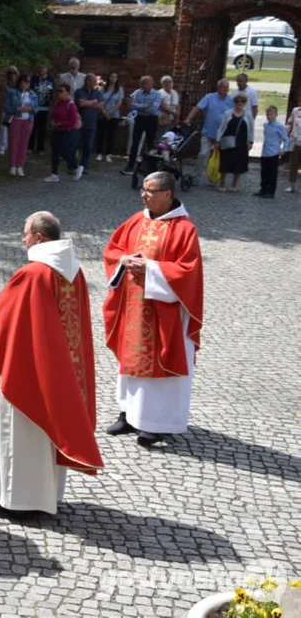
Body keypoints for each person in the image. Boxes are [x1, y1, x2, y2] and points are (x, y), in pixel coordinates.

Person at [0, 211, 102, 517]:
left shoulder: (32, 274)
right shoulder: (74, 272)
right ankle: (48, 497)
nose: (23, 239)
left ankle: (18, 502)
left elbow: (4, 320)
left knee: (20, 432)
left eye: (25, 234)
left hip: (26, 370)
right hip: (62, 372)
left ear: (39, 238)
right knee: (51, 428)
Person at [103, 171, 204, 447]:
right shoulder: (136, 220)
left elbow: (188, 272)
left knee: (160, 364)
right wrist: (124, 260)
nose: (144, 195)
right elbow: (112, 251)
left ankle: (156, 424)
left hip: (164, 311)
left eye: (150, 191)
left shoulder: (184, 229)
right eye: (143, 191)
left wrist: (151, 268)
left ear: (168, 194)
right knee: (130, 360)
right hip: (133, 306)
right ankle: (128, 413)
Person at [184, 79, 235, 184]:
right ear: (218, 87)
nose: (225, 89)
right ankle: (196, 177)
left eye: (227, 87)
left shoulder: (231, 100)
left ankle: (216, 178)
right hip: (208, 132)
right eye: (223, 87)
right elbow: (197, 108)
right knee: (203, 154)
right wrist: (188, 118)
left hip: (222, 135)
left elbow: (235, 115)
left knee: (220, 158)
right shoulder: (209, 97)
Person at [214, 93, 255, 193]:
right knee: (225, 163)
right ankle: (222, 183)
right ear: (234, 102)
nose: (239, 103)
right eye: (237, 101)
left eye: (242, 101)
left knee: (238, 164)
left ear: (245, 103)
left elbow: (251, 129)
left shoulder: (248, 115)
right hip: (227, 141)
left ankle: (234, 185)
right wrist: (218, 140)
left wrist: (250, 142)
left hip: (241, 143)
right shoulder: (227, 113)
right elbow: (221, 127)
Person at [122, 76, 161, 176]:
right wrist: (145, 105)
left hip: (151, 119)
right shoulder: (137, 92)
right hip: (140, 119)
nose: (144, 85)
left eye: (146, 83)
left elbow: (153, 108)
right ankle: (130, 166)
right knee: (135, 142)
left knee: (150, 143)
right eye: (142, 83)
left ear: (152, 84)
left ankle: (150, 167)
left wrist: (139, 105)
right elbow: (131, 104)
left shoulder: (157, 94)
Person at [44, 84, 80, 183]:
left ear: (67, 92)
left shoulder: (70, 104)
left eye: (61, 91)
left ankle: (76, 166)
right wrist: (53, 121)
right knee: (54, 152)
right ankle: (54, 174)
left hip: (67, 131)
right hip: (57, 130)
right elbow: (54, 114)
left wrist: (60, 123)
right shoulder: (57, 103)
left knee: (65, 152)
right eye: (58, 91)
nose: (59, 93)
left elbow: (73, 121)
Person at [74, 73, 104, 180]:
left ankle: (84, 166)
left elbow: (100, 105)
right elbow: (81, 104)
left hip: (92, 123)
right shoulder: (79, 91)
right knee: (75, 144)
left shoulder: (98, 92)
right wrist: (93, 102)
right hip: (79, 123)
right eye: (93, 81)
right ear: (87, 82)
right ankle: (73, 166)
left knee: (88, 146)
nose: (95, 83)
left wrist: (89, 103)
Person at [6, 75, 37, 177]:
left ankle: (20, 165)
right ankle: (13, 165)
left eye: (28, 83)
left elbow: (36, 109)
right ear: (20, 82)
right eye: (24, 82)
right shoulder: (12, 92)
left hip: (28, 120)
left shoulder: (32, 94)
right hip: (16, 119)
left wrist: (30, 109)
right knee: (14, 142)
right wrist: (17, 109)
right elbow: (6, 106)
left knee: (24, 143)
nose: (26, 84)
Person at [257, 106, 289, 198]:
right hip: (265, 152)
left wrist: (284, 149)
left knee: (272, 174)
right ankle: (263, 189)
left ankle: (271, 191)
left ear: (276, 115)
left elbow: (285, 139)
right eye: (267, 114)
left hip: (273, 153)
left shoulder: (279, 126)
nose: (269, 116)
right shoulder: (266, 125)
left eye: (271, 114)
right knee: (264, 173)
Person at [99, 72, 125, 163]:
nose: (113, 78)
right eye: (111, 76)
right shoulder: (103, 89)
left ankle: (108, 153)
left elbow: (119, 103)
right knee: (101, 134)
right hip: (103, 114)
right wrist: (104, 112)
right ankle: (99, 152)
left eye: (115, 77)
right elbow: (100, 101)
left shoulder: (119, 90)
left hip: (114, 115)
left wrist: (110, 112)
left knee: (111, 134)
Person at [30, 66, 55, 154]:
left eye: (43, 68)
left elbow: (52, 93)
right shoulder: (33, 79)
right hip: (34, 107)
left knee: (42, 128)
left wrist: (52, 104)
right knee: (32, 127)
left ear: (46, 69)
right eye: (40, 68)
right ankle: (30, 146)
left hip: (45, 107)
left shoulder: (50, 80)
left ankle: (40, 148)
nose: (41, 70)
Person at [0, 65, 19, 156]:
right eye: (10, 73)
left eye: (14, 73)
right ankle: (2, 146)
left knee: (16, 128)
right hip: (7, 109)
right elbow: (5, 97)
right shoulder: (5, 85)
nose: (12, 75)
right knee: (4, 128)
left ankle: (14, 146)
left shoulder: (19, 86)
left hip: (17, 109)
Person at [285, 99, 301, 193]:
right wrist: (285, 136)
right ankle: (292, 186)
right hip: (295, 141)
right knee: (293, 164)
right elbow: (289, 124)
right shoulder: (295, 111)